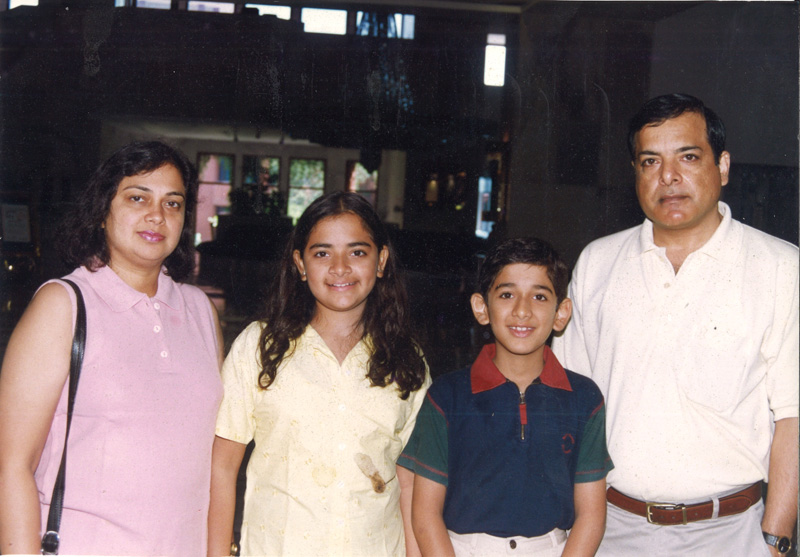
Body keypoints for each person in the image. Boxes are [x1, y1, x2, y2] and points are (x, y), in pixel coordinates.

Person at [552, 93, 799, 556]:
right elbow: (571, 403)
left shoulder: (781, 267)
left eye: (688, 156)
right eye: (650, 161)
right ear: (636, 174)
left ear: (722, 166)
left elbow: (793, 418)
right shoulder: (599, 262)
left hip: (731, 533)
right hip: (610, 527)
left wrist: (775, 540)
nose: (669, 177)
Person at [0, 141, 224, 555]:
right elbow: (11, 466)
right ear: (103, 210)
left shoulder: (200, 312)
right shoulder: (64, 305)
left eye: (173, 204)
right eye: (138, 197)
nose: (157, 215)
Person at [207, 192, 431, 557]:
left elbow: (408, 484)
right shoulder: (260, 347)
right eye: (322, 253)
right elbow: (223, 466)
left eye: (357, 252)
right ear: (300, 263)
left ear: (381, 261)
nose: (339, 267)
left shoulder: (407, 362)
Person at [400, 237, 613, 557]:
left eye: (540, 296)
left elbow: (592, 515)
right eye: (507, 294)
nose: (522, 310)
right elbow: (426, 515)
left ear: (561, 313)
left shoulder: (584, 399)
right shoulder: (447, 397)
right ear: (481, 308)